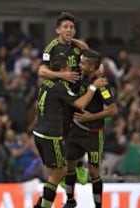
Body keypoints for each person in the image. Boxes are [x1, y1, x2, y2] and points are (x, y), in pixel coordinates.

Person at [30, 54, 106, 208]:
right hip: (51, 135)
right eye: (68, 68)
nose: (72, 70)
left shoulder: (46, 83)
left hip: (38, 132)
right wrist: (94, 87)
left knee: (60, 171)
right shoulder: (60, 87)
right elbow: (80, 103)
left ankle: (40, 205)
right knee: (57, 174)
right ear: (62, 71)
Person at [56, 49, 118, 208]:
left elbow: (113, 110)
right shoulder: (80, 77)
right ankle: (69, 200)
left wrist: (91, 117)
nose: (79, 64)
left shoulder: (102, 85)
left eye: (83, 63)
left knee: (93, 172)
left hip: (93, 132)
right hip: (76, 130)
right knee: (70, 165)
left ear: (91, 67)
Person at [38, 11, 89, 185]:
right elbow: (42, 71)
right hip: (60, 96)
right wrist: (63, 75)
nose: (69, 30)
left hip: (77, 93)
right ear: (57, 30)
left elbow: (88, 52)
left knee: (80, 130)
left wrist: (76, 41)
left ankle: (80, 164)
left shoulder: (76, 46)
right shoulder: (51, 48)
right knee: (61, 134)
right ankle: (60, 172)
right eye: (65, 27)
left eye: (72, 27)